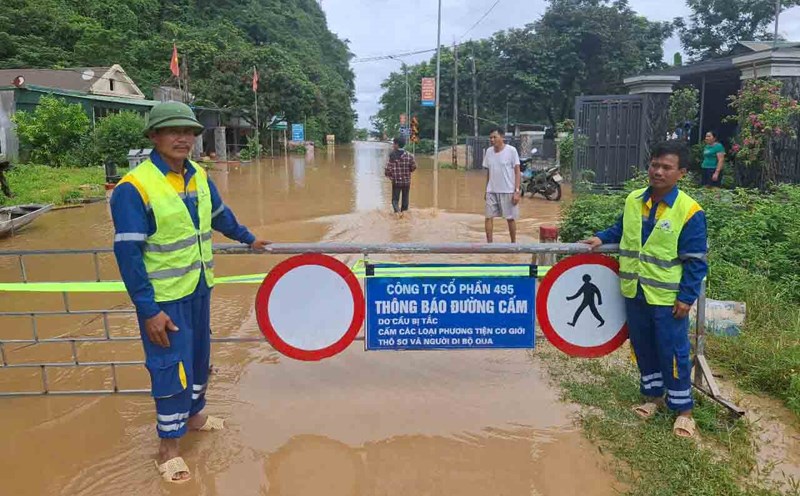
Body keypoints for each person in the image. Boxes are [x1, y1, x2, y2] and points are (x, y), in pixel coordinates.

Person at [110, 102, 269, 483]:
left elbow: (218, 216)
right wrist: (148, 310)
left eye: (190, 131)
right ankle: (167, 447)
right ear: (153, 136)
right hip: (163, 299)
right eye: (172, 130)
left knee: (199, 359)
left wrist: (248, 238)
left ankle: (195, 416)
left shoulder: (197, 174)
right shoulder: (134, 188)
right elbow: (128, 254)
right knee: (169, 368)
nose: (183, 138)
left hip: (198, 288)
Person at [581, 140, 708, 439]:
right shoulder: (634, 200)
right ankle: (653, 398)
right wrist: (601, 238)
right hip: (634, 291)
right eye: (655, 165)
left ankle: (684, 411)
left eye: (667, 167)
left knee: (673, 351)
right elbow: (622, 229)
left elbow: (696, 261)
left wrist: (686, 297)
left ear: (681, 173)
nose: (658, 172)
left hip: (667, 298)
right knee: (643, 347)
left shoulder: (689, 211)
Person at [483, 127, 521, 243]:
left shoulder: (511, 151)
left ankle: (513, 244)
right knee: (488, 217)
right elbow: (489, 171)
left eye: (495, 137)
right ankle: (489, 245)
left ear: (502, 137)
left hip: (508, 190)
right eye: (490, 137)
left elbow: (517, 171)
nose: (492, 140)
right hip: (492, 190)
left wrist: (517, 191)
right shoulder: (489, 152)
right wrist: (486, 189)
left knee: (510, 218)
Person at [384, 136, 416, 218]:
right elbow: (413, 167)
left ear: (397, 145)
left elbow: (388, 169)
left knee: (395, 200)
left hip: (396, 182)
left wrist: (390, 176)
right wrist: (407, 172)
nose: (393, 145)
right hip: (406, 182)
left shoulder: (392, 155)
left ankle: (398, 215)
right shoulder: (410, 155)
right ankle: (404, 215)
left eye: (394, 144)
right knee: (405, 200)